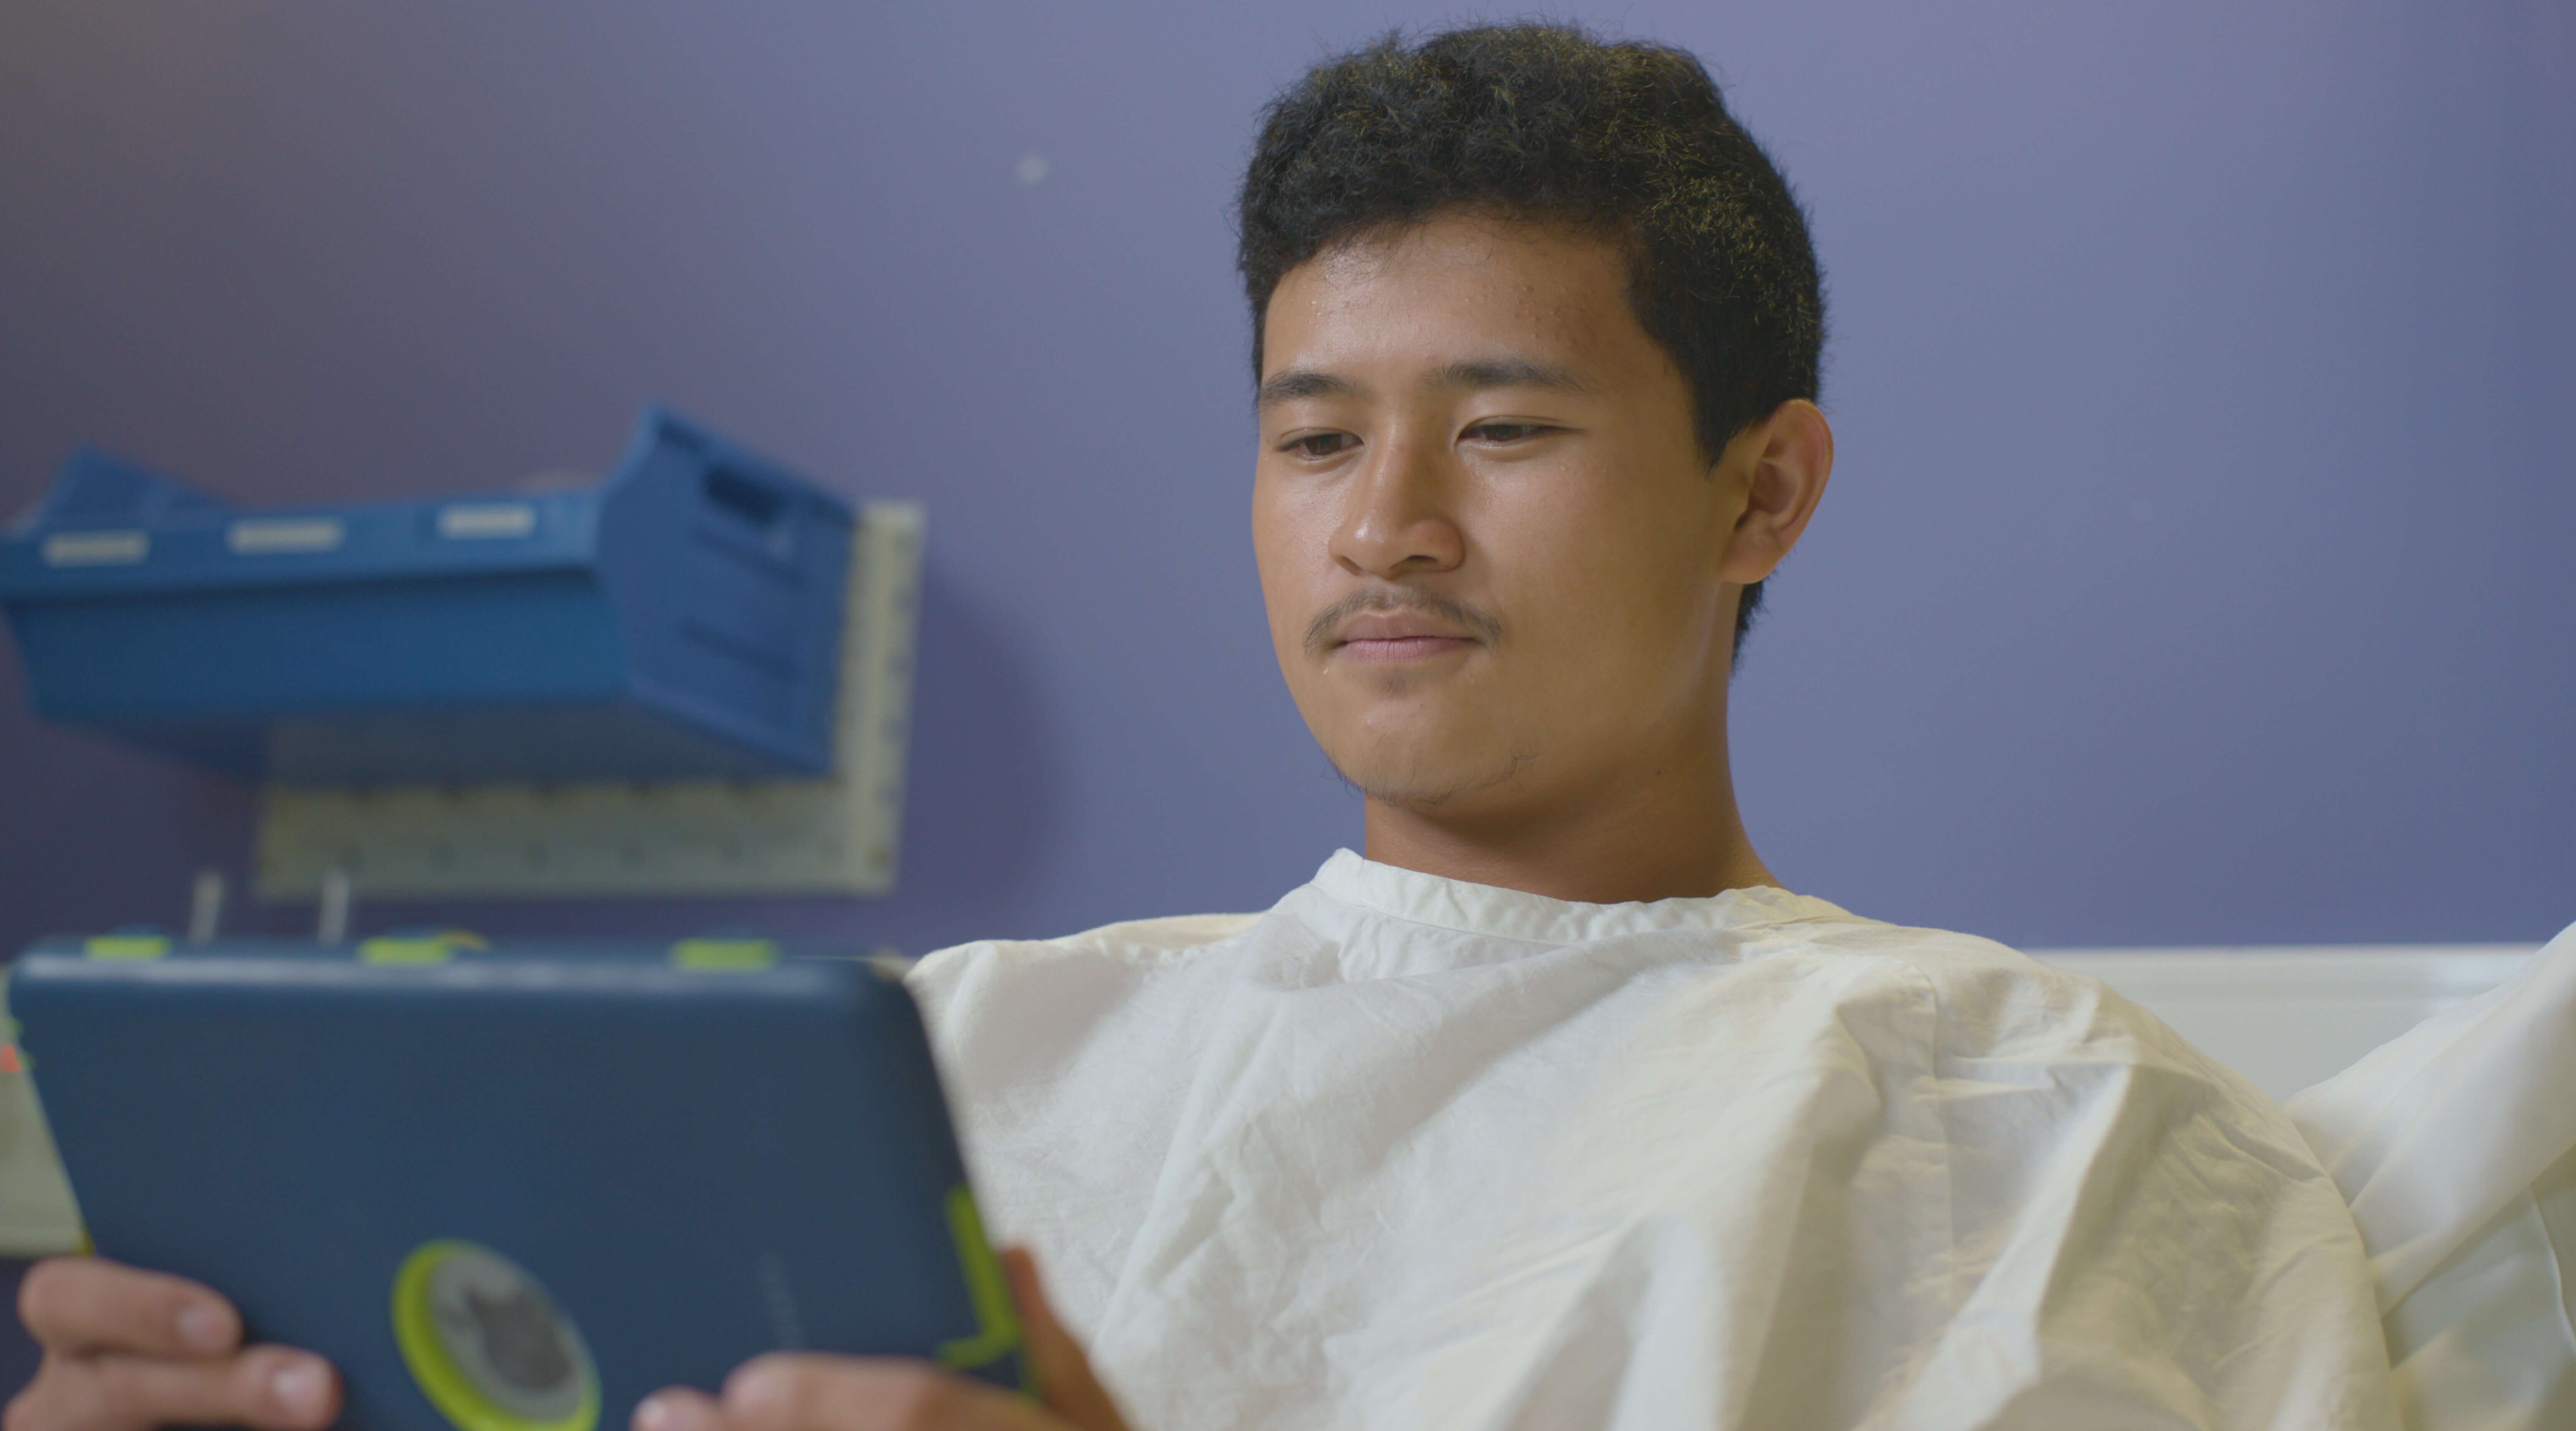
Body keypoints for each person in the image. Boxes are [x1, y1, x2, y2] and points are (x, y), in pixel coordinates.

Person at [8, 23, 2398, 1431]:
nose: (1384, 529)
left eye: (1507, 430)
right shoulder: (928, 1069)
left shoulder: (2056, 1123)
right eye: (1307, 431)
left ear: (1759, 486)